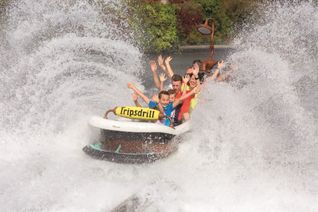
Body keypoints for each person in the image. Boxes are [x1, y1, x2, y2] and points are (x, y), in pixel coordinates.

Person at [127, 83, 198, 126]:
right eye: (163, 100)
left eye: (167, 100)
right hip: (154, 125)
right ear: (160, 100)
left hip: (164, 127)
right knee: (146, 112)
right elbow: (143, 96)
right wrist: (133, 88)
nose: (166, 102)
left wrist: (192, 92)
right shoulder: (154, 104)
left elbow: (180, 99)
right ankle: (135, 102)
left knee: (160, 114)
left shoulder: (170, 106)